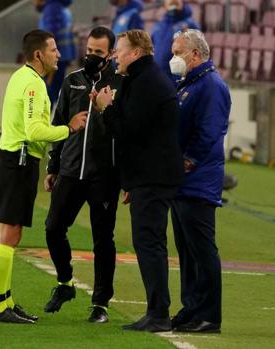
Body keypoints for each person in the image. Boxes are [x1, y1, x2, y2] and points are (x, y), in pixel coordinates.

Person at [0, 29, 87, 324]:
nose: (59, 54)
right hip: (18, 162)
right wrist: (69, 128)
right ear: (39, 54)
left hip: (14, 160)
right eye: (54, 49)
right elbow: (34, 131)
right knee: (8, 235)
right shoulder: (33, 85)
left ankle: (5, 299)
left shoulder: (22, 77)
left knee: (11, 233)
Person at [92, 29, 183, 332]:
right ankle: (156, 311)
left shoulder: (146, 82)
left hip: (154, 177)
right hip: (148, 177)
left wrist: (106, 109)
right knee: (148, 242)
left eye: (119, 50)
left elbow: (129, 131)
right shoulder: (143, 79)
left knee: (150, 243)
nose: (115, 55)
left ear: (136, 52)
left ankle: (158, 314)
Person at [43, 26, 121, 323]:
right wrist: (53, 167)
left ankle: (100, 303)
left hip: (104, 175)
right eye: (89, 51)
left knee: (103, 239)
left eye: (98, 53)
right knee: (53, 228)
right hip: (71, 170)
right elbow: (60, 122)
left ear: (111, 54)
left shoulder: (119, 84)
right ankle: (65, 283)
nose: (91, 56)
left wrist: (125, 178)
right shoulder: (72, 81)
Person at [168, 29, 231, 333]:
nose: (173, 57)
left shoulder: (211, 86)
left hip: (198, 180)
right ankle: (191, 308)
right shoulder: (190, 84)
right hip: (184, 182)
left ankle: (209, 315)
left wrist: (186, 163)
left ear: (195, 54)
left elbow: (209, 132)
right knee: (187, 251)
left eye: (178, 52)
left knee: (202, 250)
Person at [34, 0, 77, 104]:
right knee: (55, 92)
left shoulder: (51, 8)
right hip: (61, 58)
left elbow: (50, 36)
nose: (33, 2)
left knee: (49, 94)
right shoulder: (60, 7)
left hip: (54, 60)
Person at [151, 0, 200, 82]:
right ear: (164, 4)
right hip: (158, 79)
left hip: (178, 81)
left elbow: (197, 55)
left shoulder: (190, 25)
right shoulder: (158, 25)